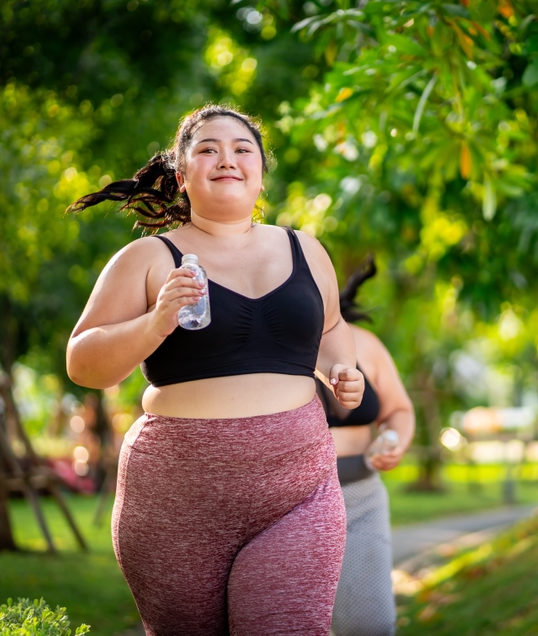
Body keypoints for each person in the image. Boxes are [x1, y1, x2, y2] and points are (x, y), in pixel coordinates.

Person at [65, 104, 364, 636]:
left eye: (241, 149)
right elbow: (83, 363)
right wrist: (155, 324)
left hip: (297, 490)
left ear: (261, 171)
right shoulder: (148, 258)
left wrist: (343, 369)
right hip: (176, 501)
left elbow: (333, 328)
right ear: (181, 176)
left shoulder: (306, 250)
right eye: (207, 149)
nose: (226, 159)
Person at [317, 256, 415, 636]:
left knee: (369, 626)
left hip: (358, 497)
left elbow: (398, 409)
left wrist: (394, 439)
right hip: (280, 503)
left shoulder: (365, 343)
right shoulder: (259, 341)